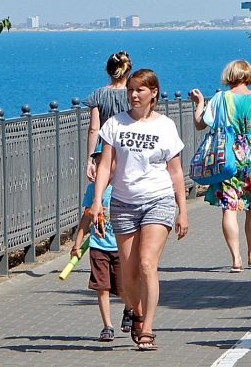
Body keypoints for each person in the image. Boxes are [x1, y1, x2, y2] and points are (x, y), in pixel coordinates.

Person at [89, 68, 189, 351]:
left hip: (158, 200)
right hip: (122, 202)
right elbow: (105, 165)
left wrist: (182, 209)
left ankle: (147, 327)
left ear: (153, 93)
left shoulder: (166, 126)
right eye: (131, 89)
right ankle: (136, 310)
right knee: (129, 274)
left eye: (140, 90)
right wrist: (98, 201)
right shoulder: (115, 125)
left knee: (146, 264)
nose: (133, 95)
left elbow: (176, 172)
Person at [189, 60, 251, 272]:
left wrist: (198, 103)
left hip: (227, 156)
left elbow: (199, 124)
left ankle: (236, 259)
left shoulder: (219, 98)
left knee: (229, 208)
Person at [71, 163, 133, 342]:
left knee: (122, 289)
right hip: (98, 246)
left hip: (119, 246)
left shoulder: (121, 187)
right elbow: (86, 218)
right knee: (102, 287)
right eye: (98, 164)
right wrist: (77, 245)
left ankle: (129, 309)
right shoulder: (92, 189)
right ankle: (108, 326)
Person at [83, 50, 132, 181]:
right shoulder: (133, 95)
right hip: (129, 148)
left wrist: (89, 161)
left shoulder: (98, 95)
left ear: (108, 70)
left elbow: (94, 129)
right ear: (128, 71)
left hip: (104, 150)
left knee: (105, 187)